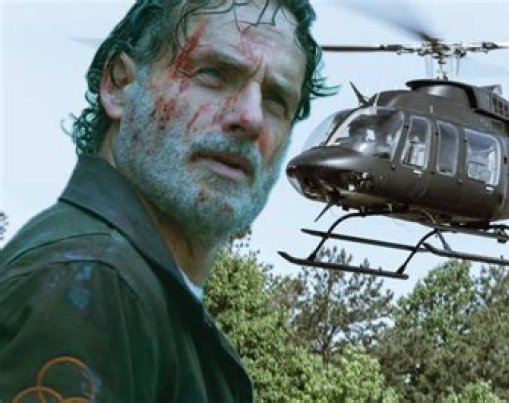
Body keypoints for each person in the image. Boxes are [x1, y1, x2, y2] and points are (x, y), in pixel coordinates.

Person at [0, 0, 332, 401]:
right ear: (119, 86)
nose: (251, 118)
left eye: (276, 100)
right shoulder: (93, 280)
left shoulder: (146, 295)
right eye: (213, 73)